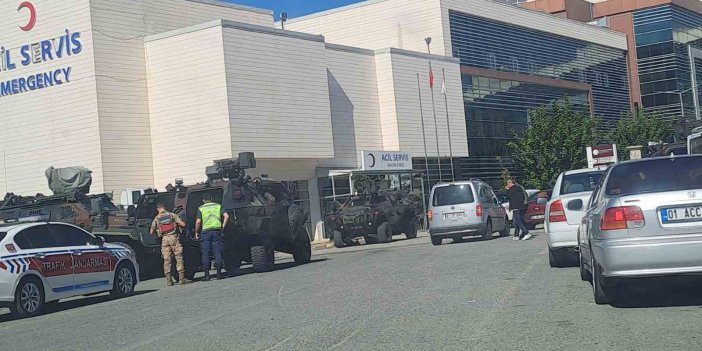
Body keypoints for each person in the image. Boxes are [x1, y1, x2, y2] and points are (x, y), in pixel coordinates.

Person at [150, 202, 192, 286]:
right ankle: (181, 278)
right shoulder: (172, 215)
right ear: (164, 207)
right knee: (178, 257)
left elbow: (151, 232)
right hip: (174, 238)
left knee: (167, 259)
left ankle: (169, 280)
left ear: (157, 209)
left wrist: (158, 233)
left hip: (164, 239)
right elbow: (182, 224)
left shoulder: (157, 218)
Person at [195, 193, 229, 281]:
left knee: (205, 253)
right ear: (211, 198)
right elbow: (226, 216)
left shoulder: (201, 208)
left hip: (205, 232)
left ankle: (207, 275)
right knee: (217, 252)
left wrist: (196, 232)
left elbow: (198, 222)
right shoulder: (218, 206)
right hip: (216, 231)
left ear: (203, 200)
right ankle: (218, 274)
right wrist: (222, 227)